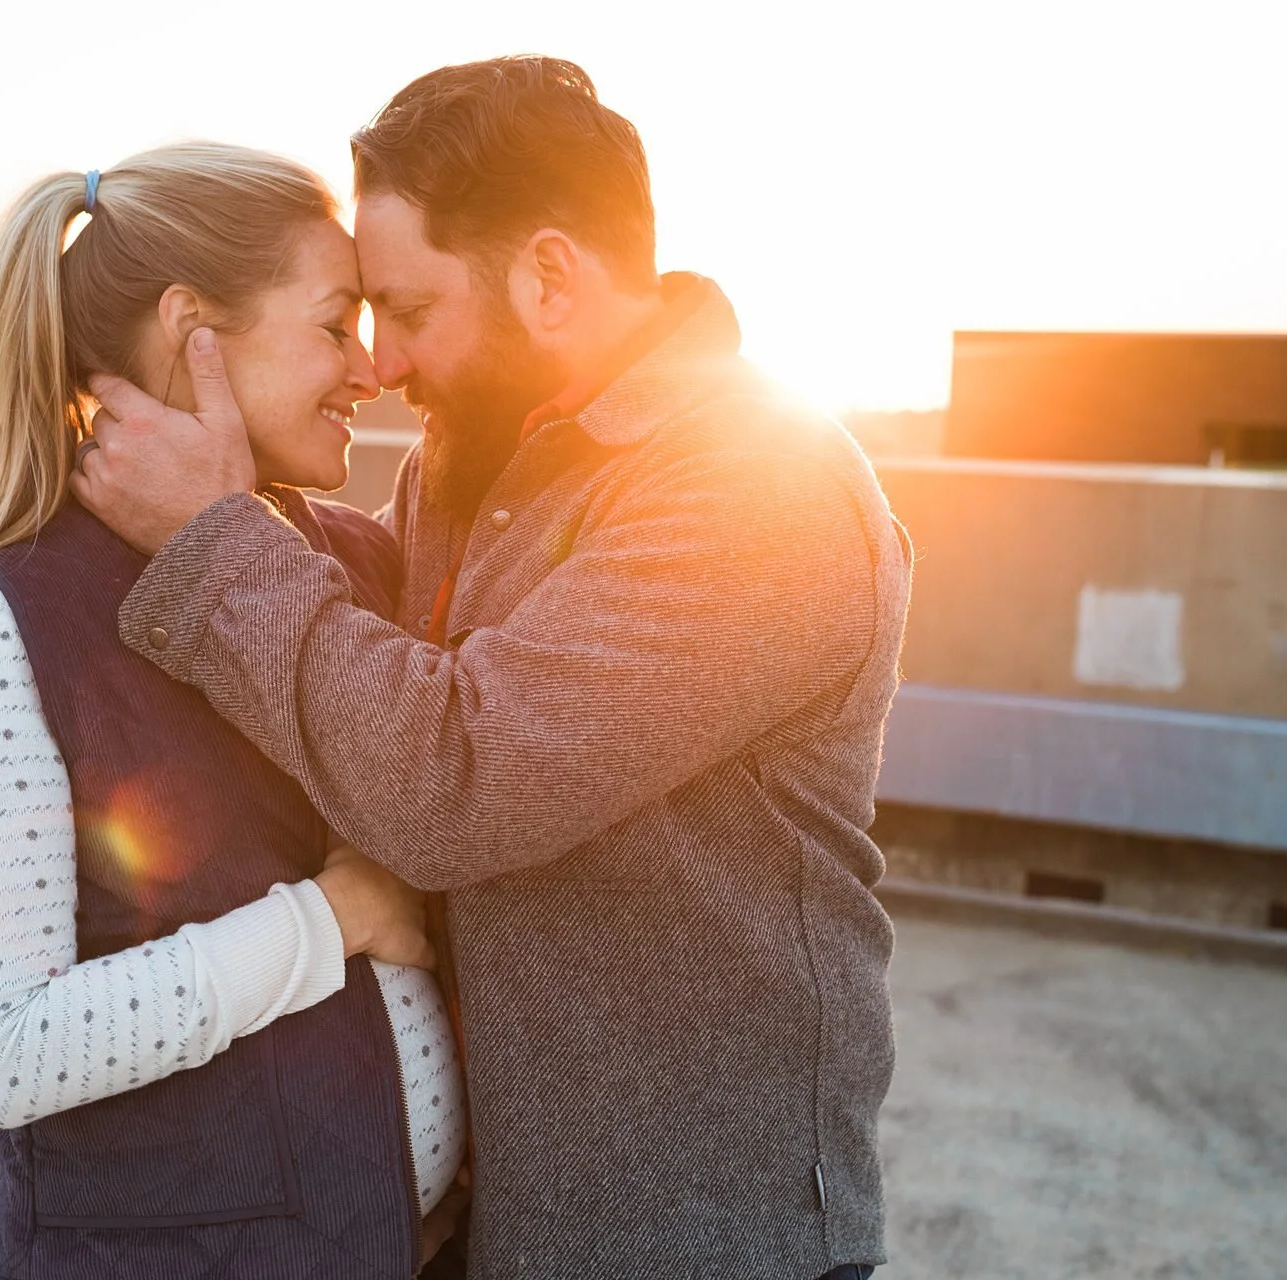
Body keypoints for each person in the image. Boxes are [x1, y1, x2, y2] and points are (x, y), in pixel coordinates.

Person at [72, 57, 913, 1280]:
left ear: (552, 276)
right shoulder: (468, 459)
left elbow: (452, 782)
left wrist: (214, 540)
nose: (389, 363)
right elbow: (364, 708)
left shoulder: (756, 482)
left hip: (698, 1242)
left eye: (409, 310)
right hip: (493, 1217)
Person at [0, 143, 467, 1280]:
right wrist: (333, 919)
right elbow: (7, 1046)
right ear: (190, 332)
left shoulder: (356, 555)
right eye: (331, 322)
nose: (368, 369)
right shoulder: (9, 613)